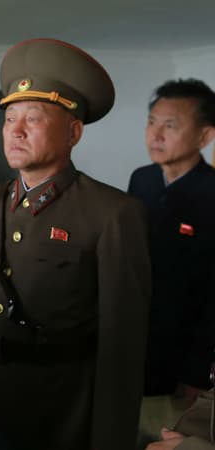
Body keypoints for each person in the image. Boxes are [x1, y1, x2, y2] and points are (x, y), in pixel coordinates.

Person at [0, 38, 151, 450]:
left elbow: (123, 344)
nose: (16, 130)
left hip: (61, 408)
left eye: (32, 118)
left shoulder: (111, 212)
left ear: (73, 132)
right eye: (10, 118)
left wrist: (110, 438)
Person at [128, 79, 215, 445]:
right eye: (152, 122)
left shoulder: (211, 193)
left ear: (204, 136)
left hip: (183, 356)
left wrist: (195, 372)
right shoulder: (143, 179)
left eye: (171, 125)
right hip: (136, 341)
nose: (156, 134)